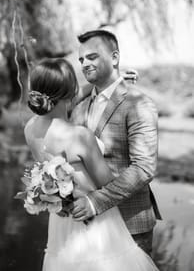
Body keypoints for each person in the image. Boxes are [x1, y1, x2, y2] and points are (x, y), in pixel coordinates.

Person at [24, 57, 159, 271]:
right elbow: (106, 183)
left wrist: (115, 82)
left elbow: (66, 97)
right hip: (95, 222)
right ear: (70, 91)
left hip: (61, 220)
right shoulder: (79, 136)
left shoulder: (30, 128)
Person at [71, 29, 161, 255]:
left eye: (92, 57)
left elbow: (143, 168)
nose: (84, 64)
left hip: (130, 224)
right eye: (81, 59)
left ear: (114, 58)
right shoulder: (80, 106)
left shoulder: (138, 104)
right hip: (88, 227)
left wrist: (94, 202)